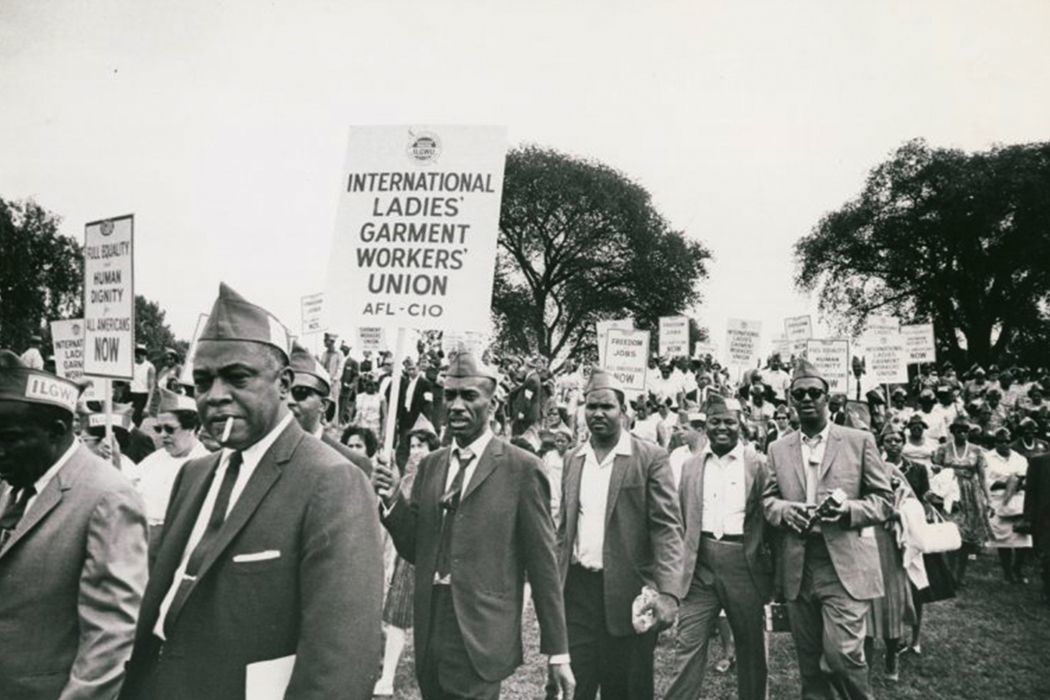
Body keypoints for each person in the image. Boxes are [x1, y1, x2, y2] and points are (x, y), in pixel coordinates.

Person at [120, 283, 384, 700]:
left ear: (284, 384)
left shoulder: (332, 480)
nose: (216, 396)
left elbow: (341, 659)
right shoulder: (194, 475)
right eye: (203, 382)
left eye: (238, 377)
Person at [373, 351, 574, 700]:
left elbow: (543, 567)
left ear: (493, 404)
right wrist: (392, 499)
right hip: (431, 624)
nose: (455, 406)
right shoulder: (431, 466)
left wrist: (558, 652)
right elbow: (415, 548)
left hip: (482, 632)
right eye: (449, 396)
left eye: (469, 396)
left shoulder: (522, 469)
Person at [0, 349, 148, 698]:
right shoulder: (14, 481)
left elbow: (111, 639)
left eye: (8, 439)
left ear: (57, 431)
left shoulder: (107, 497)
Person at [762, 359, 893, 700]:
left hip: (844, 564)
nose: (807, 399)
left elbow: (884, 501)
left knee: (840, 657)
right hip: (799, 566)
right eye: (799, 394)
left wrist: (848, 510)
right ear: (790, 400)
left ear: (828, 398)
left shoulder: (859, 440)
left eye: (814, 393)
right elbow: (768, 501)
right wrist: (786, 512)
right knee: (809, 665)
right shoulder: (778, 448)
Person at [556, 370, 684, 700]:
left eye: (607, 407)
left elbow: (667, 528)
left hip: (630, 596)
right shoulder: (574, 458)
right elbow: (564, 530)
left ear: (623, 411)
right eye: (591, 406)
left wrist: (668, 594)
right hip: (578, 593)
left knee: (626, 689)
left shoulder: (649, 457)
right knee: (572, 686)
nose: (598, 413)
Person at [666, 394, 773, 700]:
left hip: (744, 564)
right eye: (715, 422)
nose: (722, 428)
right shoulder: (690, 466)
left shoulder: (759, 465)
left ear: (741, 424)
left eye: (729, 421)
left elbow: (769, 523)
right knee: (687, 644)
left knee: (751, 650)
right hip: (700, 565)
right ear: (705, 426)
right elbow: (680, 519)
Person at [374, 422, 440, 697]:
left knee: (434, 623)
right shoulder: (406, 478)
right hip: (407, 557)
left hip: (433, 556)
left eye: (421, 446)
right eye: (412, 446)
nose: (415, 452)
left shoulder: (440, 475)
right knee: (398, 618)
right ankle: (387, 677)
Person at [133, 388, 211, 557]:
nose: (162, 435)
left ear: (192, 428)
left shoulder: (206, 464)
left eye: (169, 429)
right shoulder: (156, 459)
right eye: (158, 429)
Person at [287, 342, 372, 476]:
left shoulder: (352, 463)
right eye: (283, 391)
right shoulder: (259, 456)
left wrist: (392, 496)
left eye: (300, 392)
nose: (289, 401)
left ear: (323, 405)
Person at [931, 415, 992, 587]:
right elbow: (937, 473)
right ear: (952, 432)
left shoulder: (976, 450)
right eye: (958, 430)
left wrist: (988, 499)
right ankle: (947, 574)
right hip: (950, 494)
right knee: (950, 532)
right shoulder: (943, 449)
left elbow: (982, 477)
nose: (962, 434)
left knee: (966, 538)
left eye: (965, 431)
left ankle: (960, 575)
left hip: (970, 494)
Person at [985, 427, 1032, 583]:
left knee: (1023, 537)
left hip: (1018, 500)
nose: (1004, 444)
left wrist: (1015, 482)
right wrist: (1007, 482)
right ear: (995, 442)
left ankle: (1017, 568)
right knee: (1002, 539)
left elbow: (1024, 479)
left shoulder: (1019, 458)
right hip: (998, 500)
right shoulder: (987, 457)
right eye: (1000, 441)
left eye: (1006, 441)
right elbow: (986, 480)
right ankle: (1007, 572)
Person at [1024, 451, 1050, 606]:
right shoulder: (1039, 462)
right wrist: (1028, 517)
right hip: (1046, 518)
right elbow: (1030, 492)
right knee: (1047, 556)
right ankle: (1047, 589)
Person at [669, 409, 707, 488]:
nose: (681, 432)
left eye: (685, 429)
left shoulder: (711, 453)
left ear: (699, 431)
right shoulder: (677, 454)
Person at [128, 344, 157, 428]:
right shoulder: (132, 365)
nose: (138, 355)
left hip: (142, 396)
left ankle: (134, 438)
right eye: (136, 353)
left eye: (141, 353)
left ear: (144, 355)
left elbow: (151, 387)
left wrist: (147, 405)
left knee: (135, 421)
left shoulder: (149, 367)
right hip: (131, 394)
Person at [318, 332, 345, 412]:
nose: (324, 343)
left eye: (326, 341)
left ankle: (333, 422)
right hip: (325, 381)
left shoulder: (339, 353)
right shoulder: (324, 354)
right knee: (324, 401)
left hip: (334, 383)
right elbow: (321, 367)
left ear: (332, 342)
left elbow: (340, 368)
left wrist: (334, 379)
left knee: (334, 402)